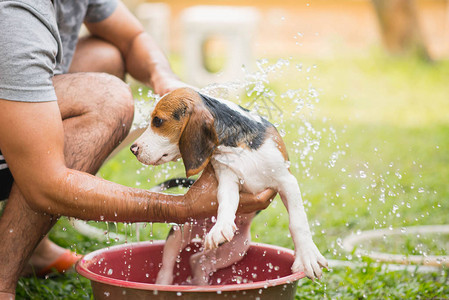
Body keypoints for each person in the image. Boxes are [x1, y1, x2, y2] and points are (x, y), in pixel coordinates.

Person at [0, 1, 274, 298]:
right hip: (26, 160)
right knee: (108, 98)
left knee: (106, 55)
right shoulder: (16, 14)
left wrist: (162, 77)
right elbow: (44, 185)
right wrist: (183, 207)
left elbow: (132, 38)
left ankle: (33, 244)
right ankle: (2, 279)